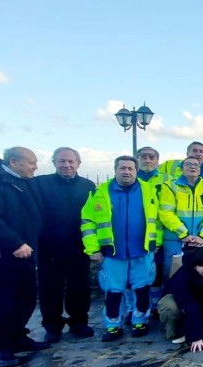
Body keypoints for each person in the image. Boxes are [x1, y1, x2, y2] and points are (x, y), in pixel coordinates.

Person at [0, 147, 47, 367]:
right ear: (14, 162)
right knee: (0, 305)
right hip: (0, 257)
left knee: (25, 300)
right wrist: (14, 242)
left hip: (24, 256)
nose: (35, 167)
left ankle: (17, 338)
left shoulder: (24, 182)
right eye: (31, 162)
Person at [81, 156, 159, 342]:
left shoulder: (148, 190)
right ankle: (113, 325)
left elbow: (157, 220)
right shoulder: (100, 192)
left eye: (131, 168)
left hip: (142, 250)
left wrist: (156, 243)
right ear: (115, 169)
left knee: (142, 289)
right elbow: (88, 222)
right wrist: (92, 249)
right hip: (112, 252)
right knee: (113, 291)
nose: (126, 172)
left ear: (136, 170)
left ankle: (140, 320)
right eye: (123, 168)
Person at [32, 147, 97, 343]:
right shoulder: (40, 184)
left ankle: (79, 322)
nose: (66, 165)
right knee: (50, 288)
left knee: (79, 287)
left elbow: (95, 216)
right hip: (49, 246)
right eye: (62, 161)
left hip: (79, 245)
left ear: (78, 163)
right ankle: (52, 326)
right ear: (54, 162)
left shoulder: (88, 185)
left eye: (70, 161)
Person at [159, 157, 203, 273]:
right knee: (173, 271)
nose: (192, 167)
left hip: (201, 239)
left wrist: (202, 235)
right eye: (188, 164)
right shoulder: (169, 186)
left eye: (196, 165)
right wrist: (183, 234)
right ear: (182, 169)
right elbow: (166, 213)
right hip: (175, 239)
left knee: (201, 271)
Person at [136, 146, 171, 311]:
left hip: (161, 235)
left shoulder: (168, 180)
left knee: (158, 273)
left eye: (152, 157)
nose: (147, 160)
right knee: (135, 275)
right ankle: (137, 308)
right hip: (135, 235)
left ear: (158, 161)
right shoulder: (130, 176)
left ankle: (156, 306)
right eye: (143, 156)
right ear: (137, 159)